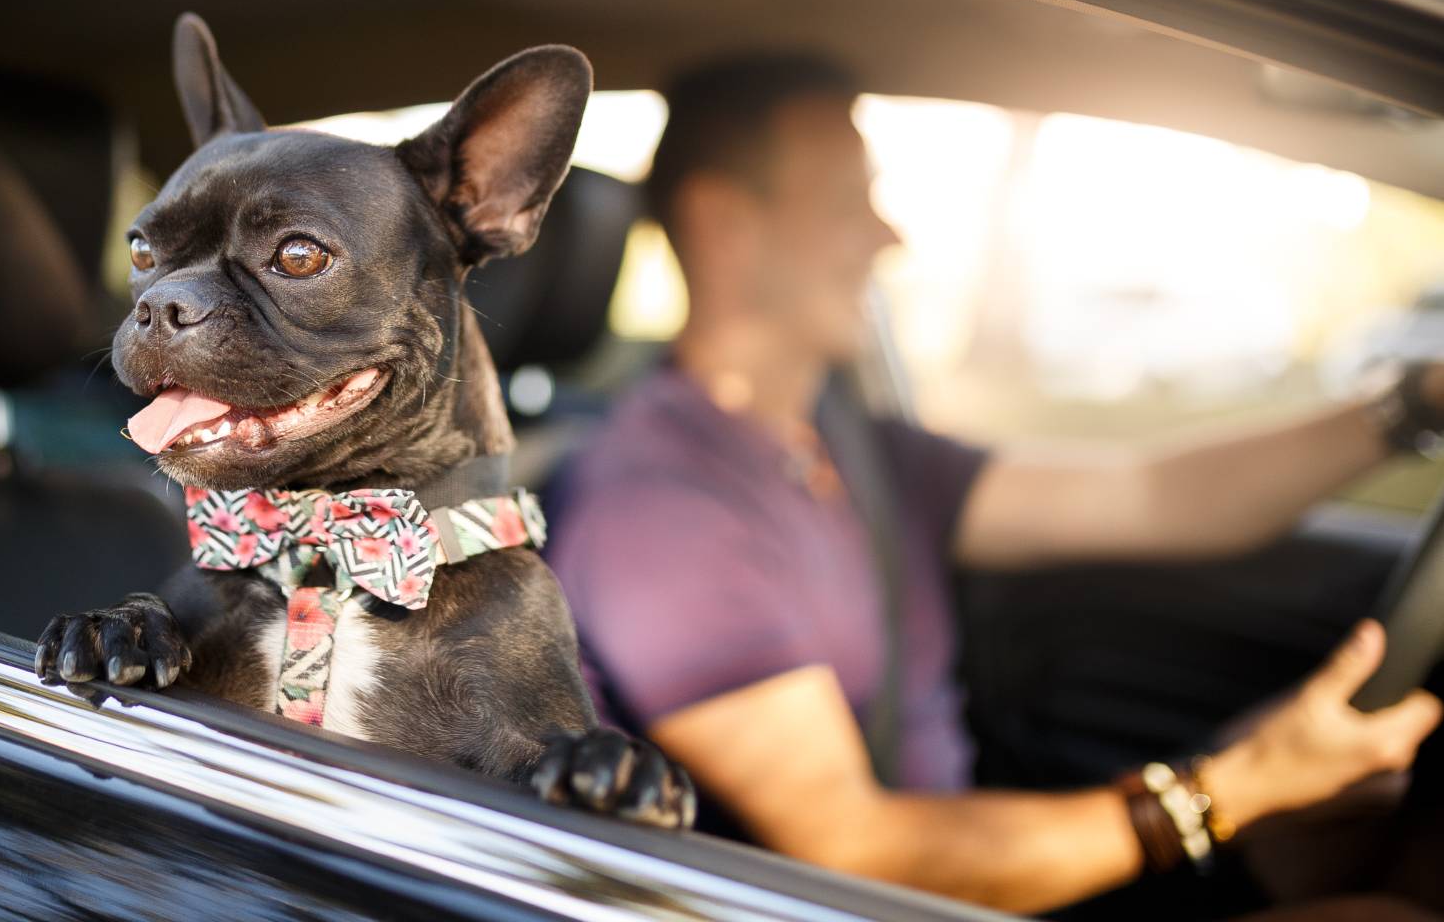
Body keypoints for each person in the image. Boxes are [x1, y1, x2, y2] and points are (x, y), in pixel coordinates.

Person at [545, 53, 1444, 915]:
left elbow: (1150, 495)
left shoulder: (857, 450)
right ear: (724, 225)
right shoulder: (661, 511)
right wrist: (1228, 791)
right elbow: (857, 854)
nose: (890, 236)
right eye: (849, 200)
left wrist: (1409, 407)